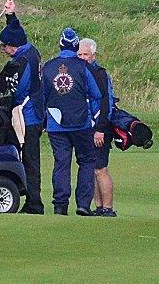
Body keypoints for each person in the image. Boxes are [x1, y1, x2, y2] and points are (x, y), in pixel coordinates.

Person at [41, 28, 104, 216]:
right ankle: (83, 205)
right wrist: (95, 119)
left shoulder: (48, 67)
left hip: (55, 124)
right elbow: (96, 95)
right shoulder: (84, 67)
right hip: (81, 124)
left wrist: (44, 121)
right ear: (76, 45)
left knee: (61, 163)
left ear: (60, 44)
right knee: (86, 161)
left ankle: (60, 206)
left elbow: (42, 96)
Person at [0, 0, 46, 215]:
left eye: (4, 46)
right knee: (28, 159)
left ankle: (35, 204)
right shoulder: (29, 51)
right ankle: (30, 200)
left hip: (29, 117)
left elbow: (15, 92)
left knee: (30, 160)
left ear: (11, 46)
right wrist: (11, 15)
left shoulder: (22, 61)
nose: (4, 50)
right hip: (32, 116)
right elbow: (16, 31)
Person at [78, 38, 117, 217]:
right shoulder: (80, 72)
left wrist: (100, 128)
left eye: (86, 54)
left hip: (100, 127)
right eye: (79, 54)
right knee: (92, 168)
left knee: (100, 168)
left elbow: (106, 104)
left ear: (93, 55)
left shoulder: (100, 74)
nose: (82, 57)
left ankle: (108, 208)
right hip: (87, 127)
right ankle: (99, 206)